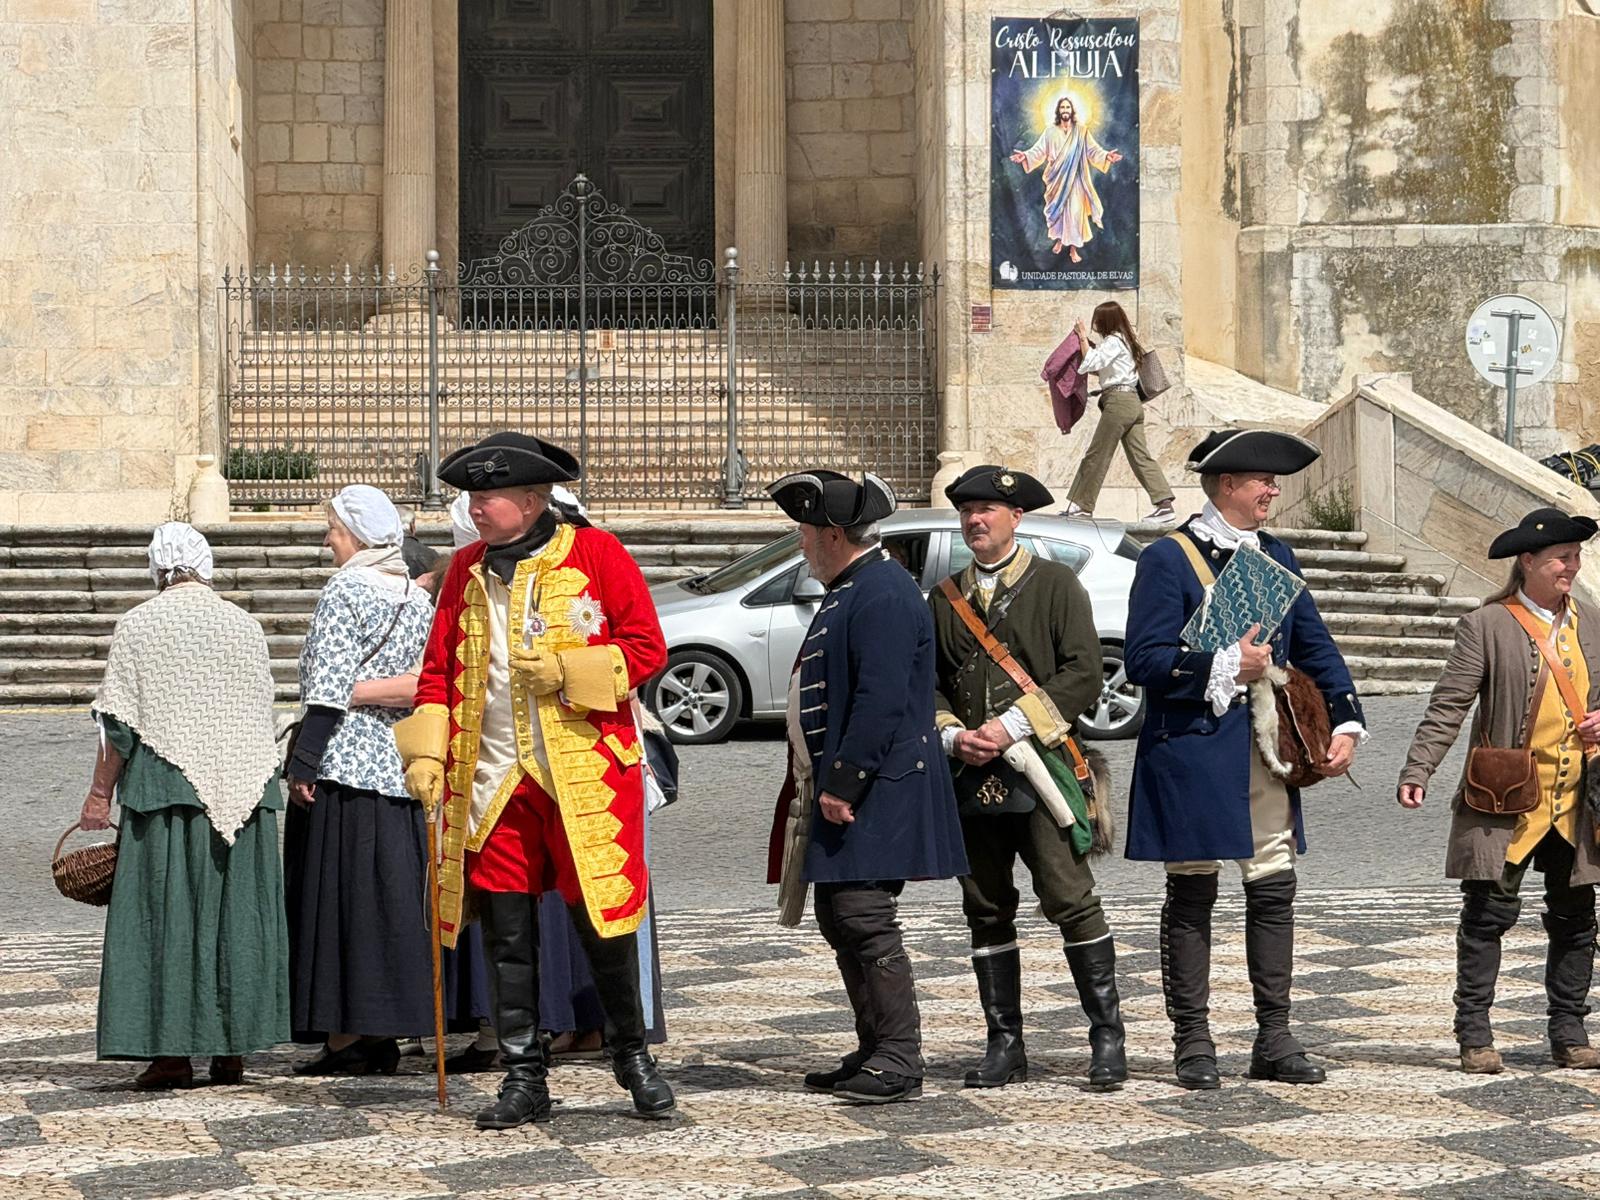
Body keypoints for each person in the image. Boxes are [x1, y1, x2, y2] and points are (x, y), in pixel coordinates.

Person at [396, 432, 673, 1129]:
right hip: (492, 777)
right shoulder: (465, 571)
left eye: (486, 498)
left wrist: (570, 672)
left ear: (530, 500)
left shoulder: (597, 553)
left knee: (603, 924)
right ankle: (524, 1075)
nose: (475, 509)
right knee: (508, 934)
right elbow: (438, 672)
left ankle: (631, 1055)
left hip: (582, 773)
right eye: (471, 498)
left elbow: (646, 648)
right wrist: (425, 753)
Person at [1124, 430, 1364, 1090]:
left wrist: (1346, 719)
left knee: (1274, 886)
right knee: (1192, 891)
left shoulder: (1275, 554)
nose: (1273, 492)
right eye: (1263, 481)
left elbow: (1315, 645)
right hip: (1193, 751)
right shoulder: (1168, 559)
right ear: (1227, 484)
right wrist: (1226, 663)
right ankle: (1193, 1042)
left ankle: (1275, 1037)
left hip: (1266, 752)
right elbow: (1144, 661)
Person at [766, 469, 968, 1105]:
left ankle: (899, 1058)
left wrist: (844, 783)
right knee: (840, 914)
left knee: (863, 916)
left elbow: (880, 701)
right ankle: (875, 1046)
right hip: (854, 784)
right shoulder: (856, 585)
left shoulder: (881, 591)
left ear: (833, 535)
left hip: (877, 785)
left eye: (805, 532)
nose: (801, 543)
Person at [929, 466, 1126, 1089]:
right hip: (970, 772)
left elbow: (1084, 673)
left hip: (1042, 771)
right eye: (967, 511)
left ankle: (1107, 1037)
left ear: (1016, 518)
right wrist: (954, 734)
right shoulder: (943, 597)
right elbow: (929, 683)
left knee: (1070, 899)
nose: (975, 520)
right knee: (985, 907)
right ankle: (1005, 1044)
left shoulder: (1056, 584)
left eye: (987, 510)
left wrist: (1010, 726)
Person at [83, 523, 289, 1089]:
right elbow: (259, 711)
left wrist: (99, 794)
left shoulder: (138, 624)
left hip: (167, 790)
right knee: (236, 919)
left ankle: (171, 1054)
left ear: (158, 567)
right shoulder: (245, 625)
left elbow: (118, 724)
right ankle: (232, 1049)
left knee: (167, 918)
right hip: (243, 792)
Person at [1399, 508, 1600, 1074]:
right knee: (1488, 915)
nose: (1572, 567)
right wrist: (1418, 769)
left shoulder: (1593, 622)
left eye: (1575, 557)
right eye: (1561, 558)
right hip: (1504, 796)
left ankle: (1569, 1031)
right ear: (1528, 562)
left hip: (1575, 798)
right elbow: (1449, 705)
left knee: (1576, 918)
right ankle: (1475, 1035)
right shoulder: (1486, 625)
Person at [283, 485, 438, 1076]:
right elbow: (424, 682)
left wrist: (304, 761)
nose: (329, 540)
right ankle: (382, 1026)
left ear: (354, 534)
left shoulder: (345, 589)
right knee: (387, 900)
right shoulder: (413, 596)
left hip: (345, 764)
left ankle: (348, 1035)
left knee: (339, 901)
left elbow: (326, 688)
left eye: (333, 529)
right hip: (397, 764)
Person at [1059, 301, 1176, 526]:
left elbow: (1090, 362)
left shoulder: (1113, 341)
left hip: (1119, 402)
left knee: (1097, 454)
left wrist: (1082, 337)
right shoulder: (1127, 341)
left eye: (1097, 321)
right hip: (1132, 402)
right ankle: (1164, 505)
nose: (1095, 326)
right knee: (1140, 456)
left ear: (1105, 321)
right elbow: (1100, 367)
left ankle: (1082, 506)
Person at [1008, 96, 1123, 261]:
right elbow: (1039, 151)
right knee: (1059, 212)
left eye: (1067, 107)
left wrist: (1106, 156)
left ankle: (1073, 249)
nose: (1065, 110)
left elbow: (1092, 150)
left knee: (1075, 214)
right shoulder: (1050, 131)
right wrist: (1025, 156)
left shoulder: (1081, 131)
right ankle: (1060, 240)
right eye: (1062, 107)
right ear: (1058, 111)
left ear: (1072, 110)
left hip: (1075, 180)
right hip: (1056, 181)